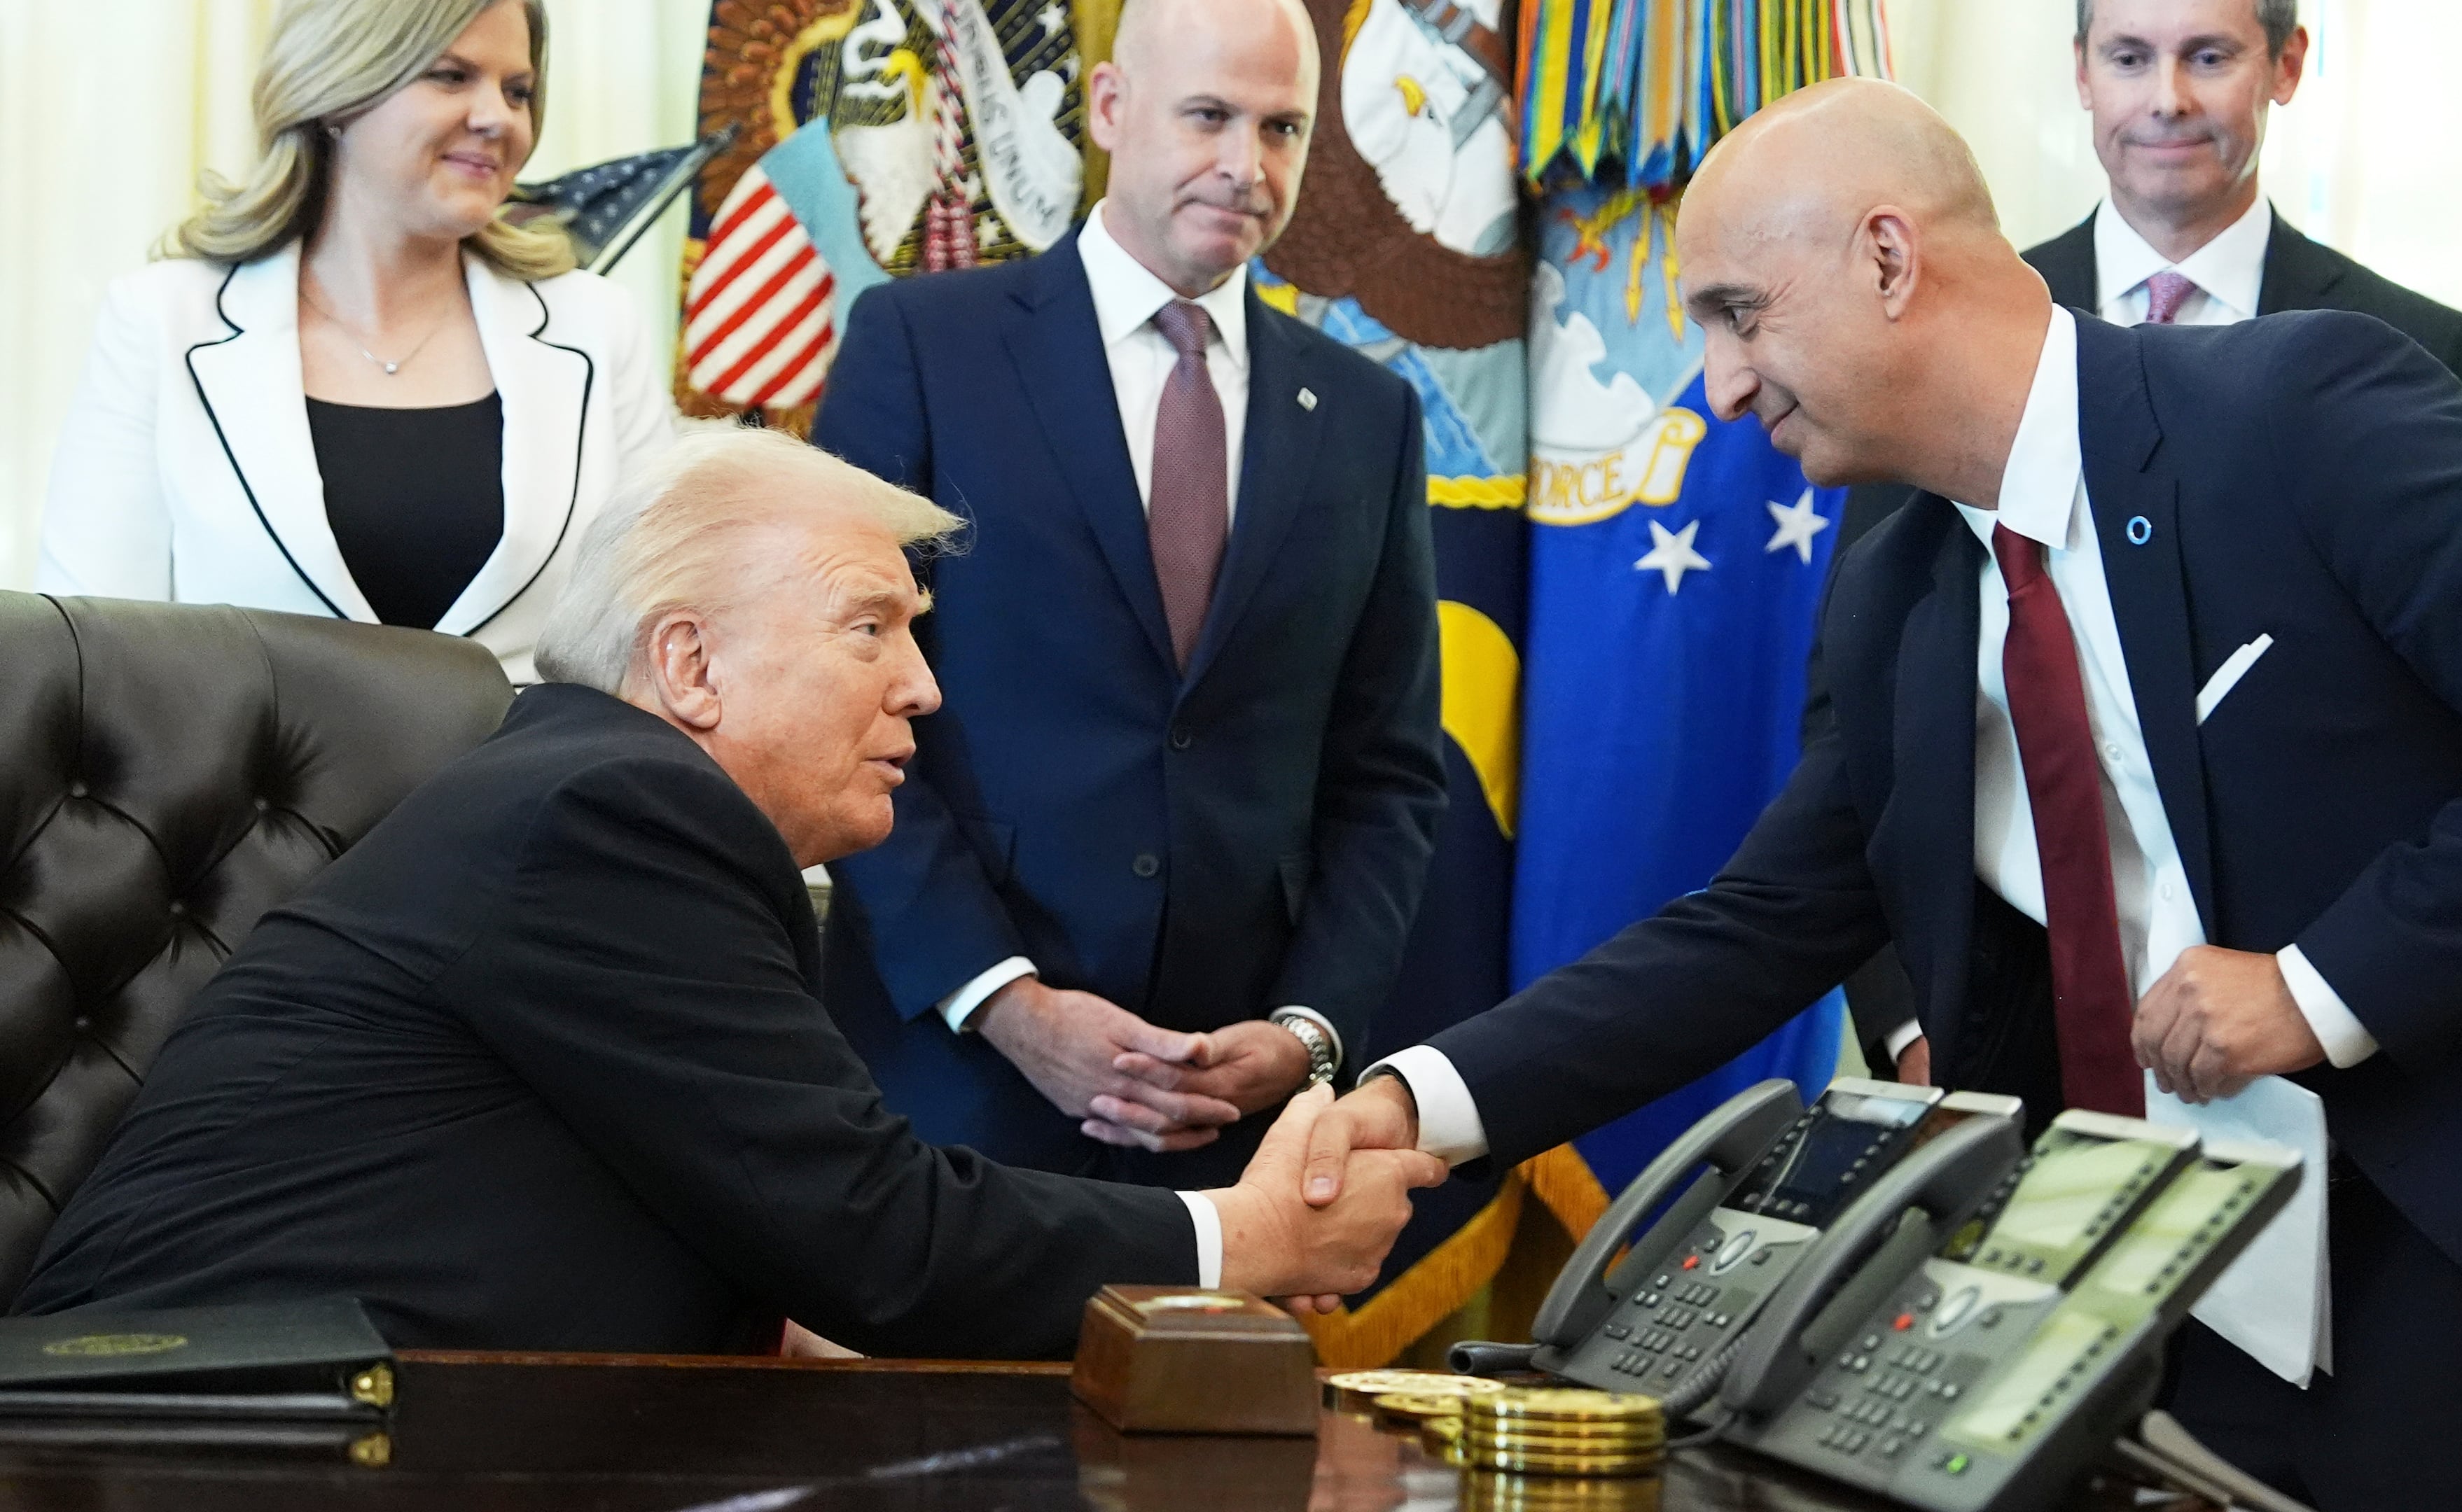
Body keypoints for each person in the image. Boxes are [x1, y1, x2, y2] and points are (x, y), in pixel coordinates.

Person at [1300, 80, 2462, 1508]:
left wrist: (2323, 985)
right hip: (2175, 1318)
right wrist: (1417, 1107)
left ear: (1888, 260)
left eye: (1737, 314)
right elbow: (1763, 924)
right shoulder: (1899, 582)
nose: (1715, 384)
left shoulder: (2306, 407)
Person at [13, 427, 1445, 1357]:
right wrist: (1241, 1240)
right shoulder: (611, 814)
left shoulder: (613, 807)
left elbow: (757, 1217)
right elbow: (875, 1233)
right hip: (196, 1450)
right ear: (688, 665)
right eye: (869, 628)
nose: (923, 687)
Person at [808, 0, 1444, 1189]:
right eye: (1209, 115)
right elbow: (833, 710)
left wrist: (1307, 1036)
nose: (1245, 166)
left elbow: (1390, 772)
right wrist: (1007, 1003)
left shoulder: (1370, 416)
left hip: (1230, 1132)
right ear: (1108, 109)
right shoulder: (922, 347)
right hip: (947, 1103)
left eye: (1283, 128)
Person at [1826, 0, 2462, 1072]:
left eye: (2209, 57)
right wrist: (1913, 1026)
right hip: (2020, 1037)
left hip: (2335, 1034)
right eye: (2131, 58)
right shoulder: (1947, 333)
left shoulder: (2404, 342)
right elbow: (1859, 724)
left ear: (2286, 65)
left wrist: (2346, 987)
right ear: (2082, 74)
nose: (2168, 100)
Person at [36, 0, 676, 685]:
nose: (501, 118)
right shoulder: (162, 320)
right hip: (238, 788)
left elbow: (661, 626)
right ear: (336, 92)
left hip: (534, 788)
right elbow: (90, 654)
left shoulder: (599, 325)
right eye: (451, 77)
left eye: (517, 90)